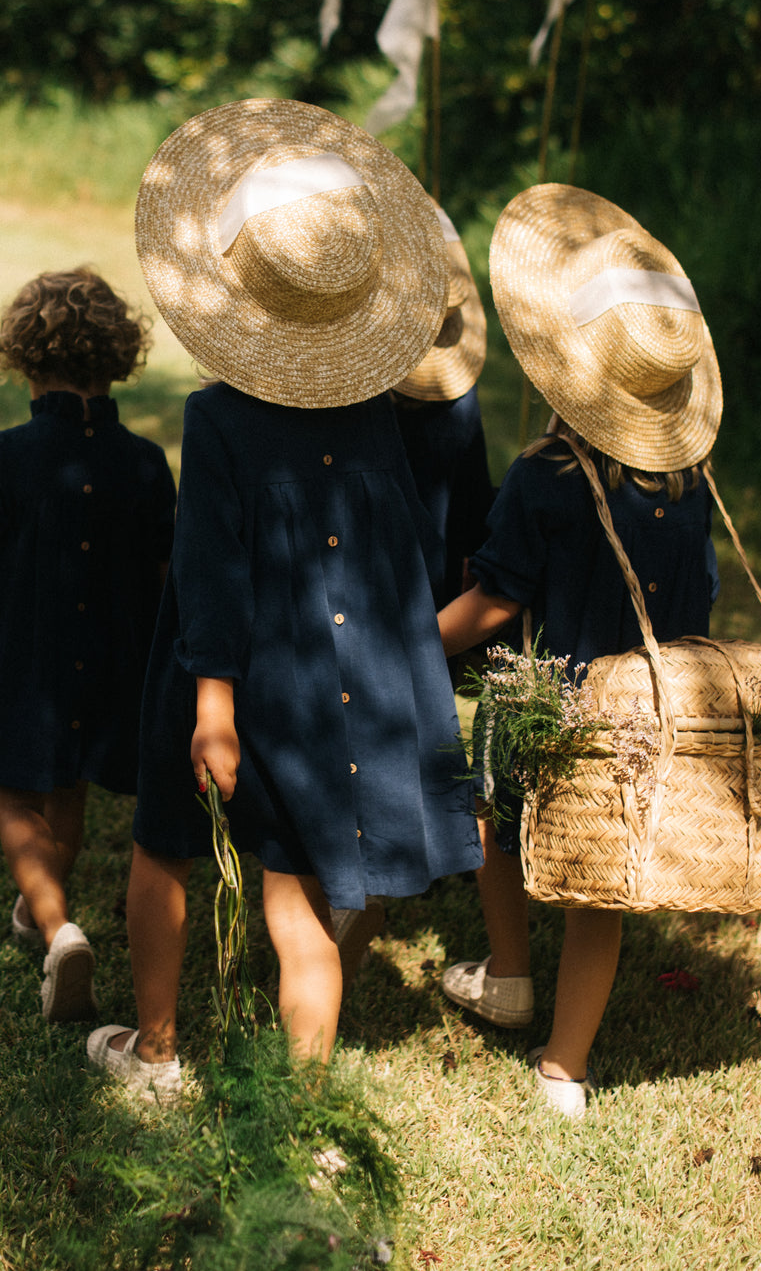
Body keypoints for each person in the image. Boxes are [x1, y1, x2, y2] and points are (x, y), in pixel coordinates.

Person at [87, 98, 482, 1101]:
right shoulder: (378, 418)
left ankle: (160, 1053)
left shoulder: (216, 419)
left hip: (226, 669)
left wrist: (212, 706)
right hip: (333, 687)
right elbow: (399, 564)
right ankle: (304, 1106)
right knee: (298, 903)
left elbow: (212, 569)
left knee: (166, 845)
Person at [437, 183, 723, 1118]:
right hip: (639, 716)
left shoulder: (547, 476)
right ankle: (567, 1067)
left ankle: (511, 973)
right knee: (599, 886)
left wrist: (406, 649)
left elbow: (494, 600)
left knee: (492, 814)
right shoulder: (689, 489)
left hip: (543, 707)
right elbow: (699, 609)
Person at [0, 267, 177, 1022]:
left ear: (24, 359)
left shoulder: (6, 453)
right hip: (112, 656)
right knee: (68, 787)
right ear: (117, 361)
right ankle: (42, 909)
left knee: (11, 790)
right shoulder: (144, 461)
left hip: (17, 658)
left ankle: (59, 924)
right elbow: (165, 571)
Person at [331, 200, 496, 988]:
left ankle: (358, 881)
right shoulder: (457, 406)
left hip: (359, 588)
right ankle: (405, 856)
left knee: (355, 737)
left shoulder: (356, 406)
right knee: (407, 724)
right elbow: (471, 506)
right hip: (429, 589)